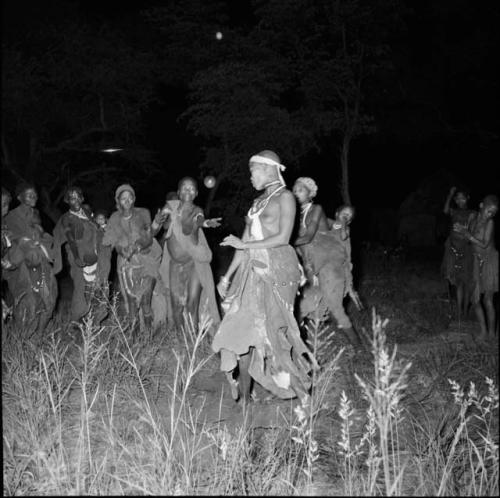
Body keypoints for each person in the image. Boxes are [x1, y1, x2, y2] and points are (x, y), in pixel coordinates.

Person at [212, 151, 318, 405]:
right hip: (252, 270)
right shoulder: (257, 202)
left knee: (274, 335)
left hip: (279, 269)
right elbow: (246, 241)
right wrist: (227, 277)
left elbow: (282, 238)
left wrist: (245, 245)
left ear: (269, 169)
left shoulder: (286, 198)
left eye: (253, 171)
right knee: (243, 330)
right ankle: (246, 398)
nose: (250, 177)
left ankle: (303, 398)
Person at [292, 177, 362, 345]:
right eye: (294, 190)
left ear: (311, 193)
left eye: (300, 190)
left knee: (335, 308)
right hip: (311, 266)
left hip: (329, 265)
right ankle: (297, 346)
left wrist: (350, 283)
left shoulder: (322, 214)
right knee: (301, 304)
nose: (295, 193)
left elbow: (311, 237)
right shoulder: (293, 215)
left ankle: (358, 346)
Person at [153, 178, 221, 333]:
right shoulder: (170, 207)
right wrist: (157, 221)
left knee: (192, 304)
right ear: (178, 192)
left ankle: (193, 341)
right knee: (176, 306)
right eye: (184, 188)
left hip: (193, 263)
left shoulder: (197, 210)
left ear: (196, 193)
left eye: (191, 189)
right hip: (175, 264)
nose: (188, 191)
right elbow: (154, 230)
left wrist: (205, 223)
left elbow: (200, 219)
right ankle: (181, 340)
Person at [102, 184, 161, 336]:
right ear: (118, 201)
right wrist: (123, 250)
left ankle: (148, 336)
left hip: (147, 260)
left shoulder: (143, 213)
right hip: (126, 264)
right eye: (123, 198)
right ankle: (134, 339)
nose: (127, 201)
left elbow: (149, 236)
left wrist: (155, 225)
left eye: (130, 197)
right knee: (132, 304)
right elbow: (112, 241)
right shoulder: (115, 218)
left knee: (146, 301)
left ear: (134, 198)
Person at [3, 183, 57, 333]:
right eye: (29, 194)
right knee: (28, 302)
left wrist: (46, 240)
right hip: (22, 264)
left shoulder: (36, 214)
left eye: (35, 194)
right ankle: (24, 339)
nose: (34, 197)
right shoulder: (11, 215)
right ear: (19, 197)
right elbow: (13, 239)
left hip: (40, 261)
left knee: (49, 297)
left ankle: (40, 333)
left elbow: (41, 236)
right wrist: (28, 241)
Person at [53, 187, 109, 324]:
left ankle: (94, 323)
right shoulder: (67, 218)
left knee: (99, 287)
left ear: (82, 198)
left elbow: (97, 228)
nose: (76, 200)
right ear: (67, 201)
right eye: (72, 198)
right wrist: (77, 257)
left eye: (78, 197)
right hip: (80, 256)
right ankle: (76, 323)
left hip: (95, 254)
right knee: (81, 289)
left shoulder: (88, 213)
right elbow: (70, 238)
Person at [453, 194, 498, 340]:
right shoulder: (472, 219)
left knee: (488, 300)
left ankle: (491, 334)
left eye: (493, 212)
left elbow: (484, 243)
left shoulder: (490, 223)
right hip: (475, 260)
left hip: (489, 260)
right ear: (481, 206)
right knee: (475, 299)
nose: (489, 214)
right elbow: (468, 238)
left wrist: (467, 234)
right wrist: (460, 231)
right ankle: (483, 331)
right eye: (488, 210)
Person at [441, 186, 476, 321]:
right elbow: (445, 210)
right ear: (455, 200)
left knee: (467, 282)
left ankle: (466, 311)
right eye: (458, 198)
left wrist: (464, 230)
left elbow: (473, 231)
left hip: (467, 250)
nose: (460, 200)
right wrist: (450, 194)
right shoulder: (453, 211)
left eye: (463, 197)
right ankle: (460, 313)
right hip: (453, 249)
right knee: (458, 283)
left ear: (467, 198)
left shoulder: (473, 213)